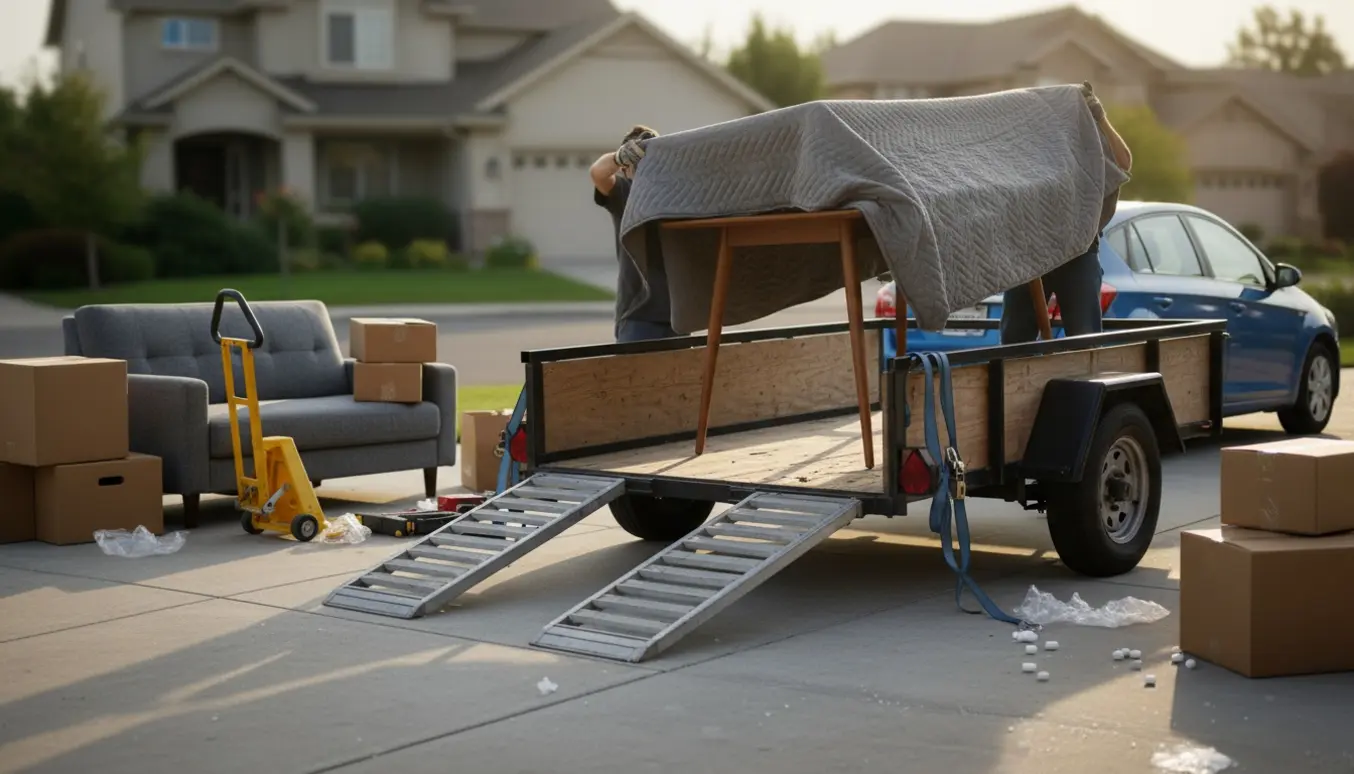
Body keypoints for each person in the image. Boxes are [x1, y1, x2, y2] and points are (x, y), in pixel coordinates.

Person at [1000, 82, 1134, 344]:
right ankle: (1013, 384)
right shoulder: (1025, 147)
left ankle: (1084, 383)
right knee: (1015, 340)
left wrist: (1100, 117)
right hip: (1031, 252)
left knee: (1084, 339)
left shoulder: (1088, 144)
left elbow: (1124, 161)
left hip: (1079, 249)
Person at [590, 125, 677, 343]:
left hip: (678, 316)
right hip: (638, 316)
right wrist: (625, 155)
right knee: (635, 378)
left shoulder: (677, 197)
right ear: (624, 168)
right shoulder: (625, 192)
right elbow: (598, 173)